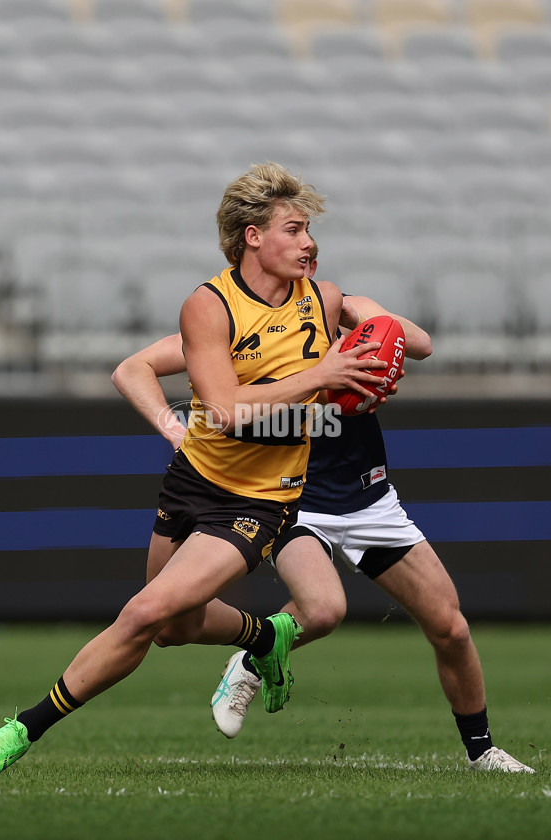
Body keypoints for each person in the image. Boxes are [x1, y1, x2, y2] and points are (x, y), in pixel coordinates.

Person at [0, 162, 390, 774]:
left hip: (260, 500)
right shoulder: (210, 305)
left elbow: (415, 341)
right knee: (174, 626)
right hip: (193, 481)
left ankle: (22, 729)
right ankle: (266, 639)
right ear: (252, 236)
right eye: (294, 230)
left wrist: (382, 344)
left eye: (308, 231)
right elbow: (220, 407)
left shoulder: (323, 301)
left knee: (143, 613)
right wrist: (177, 425)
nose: (309, 243)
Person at [110, 239, 536, 774]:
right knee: (324, 609)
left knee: (449, 625)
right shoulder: (241, 330)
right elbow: (134, 368)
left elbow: (420, 343)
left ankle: (483, 751)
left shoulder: (347, 321)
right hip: (291, 497)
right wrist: (175, 430)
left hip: (367, 497)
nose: (307, 255)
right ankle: (253, 655)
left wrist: (361, 312)